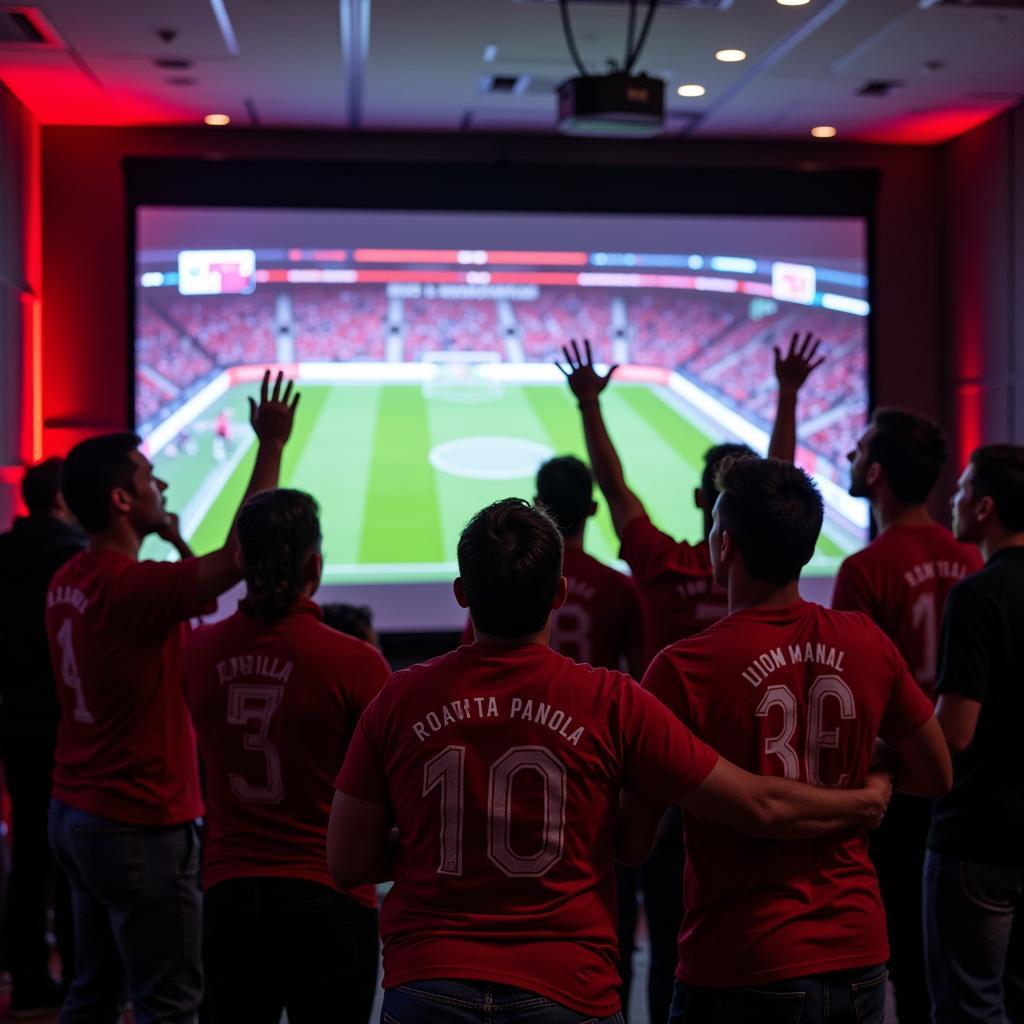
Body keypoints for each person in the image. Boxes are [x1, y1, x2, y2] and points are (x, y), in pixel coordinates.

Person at [327, 497, 894, 1024]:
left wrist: (433, 845)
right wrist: (861, 801)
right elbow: (753, 804)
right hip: (568, 989)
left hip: (428, 982)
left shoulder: (398, 699)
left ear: (461, 593)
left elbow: (348, 861)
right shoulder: (614, 701)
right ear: (559, 592)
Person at [630, 455, 952, 1024]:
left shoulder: (683, 669)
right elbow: (934, 773)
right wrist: (874, 777)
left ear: (724, 547)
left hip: (742, 959)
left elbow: (633, 837)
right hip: (858, 951)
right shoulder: (865, 642)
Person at [561, 332, 822, 1021]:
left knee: (666, 942)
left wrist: (590, 405)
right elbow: (780, 489)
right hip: (763, 779)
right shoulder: (772, 587)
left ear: (705, 507)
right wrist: (788, 395)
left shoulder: (659, 567)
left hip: (664, 787)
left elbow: (614, 490)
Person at [44, 371, 299, 1024]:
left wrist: (176, 544)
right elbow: (244, 552)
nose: (160, 483)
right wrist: (270, 445)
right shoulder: (132, 589)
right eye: (147, 474)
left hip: (76, 811)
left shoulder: (70, 579)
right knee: (170, 1005)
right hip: (139, 822)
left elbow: (176, 610)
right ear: (122, 500)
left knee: (91, 993)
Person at [184, 489, 389, 1024]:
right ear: (315, 564)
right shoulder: (356, 663)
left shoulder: (199, 652)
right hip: (330, 897)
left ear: (239, 561)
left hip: (228, 896)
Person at [834, 408, 983, 1023]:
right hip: (972, 787)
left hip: (899, 790)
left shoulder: (864, 570)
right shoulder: (975, 563)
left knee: (911, 972)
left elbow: (851, 699)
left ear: (875, 473)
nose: (848, 455)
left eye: (859, 448)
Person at [925, 444, 1024, 1024]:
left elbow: (955, 732)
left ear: (985, 508)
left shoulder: (977, 595)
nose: (954, 500)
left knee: (969, 1006)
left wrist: (884, 757)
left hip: (979, 833)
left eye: (962, 491)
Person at [0, 458, 84, 1015]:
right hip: (69, 722)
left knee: (29, 853)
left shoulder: (4, 554)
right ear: (62, 499)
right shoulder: (77, 558)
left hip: (16, 721)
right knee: (74, 854)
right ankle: (81, 977)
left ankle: (28, 978)